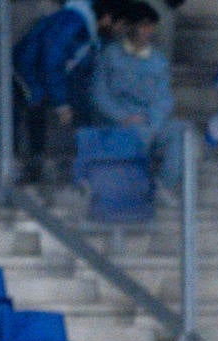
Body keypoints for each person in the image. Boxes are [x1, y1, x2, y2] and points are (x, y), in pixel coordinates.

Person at [14, 0, 125, 184]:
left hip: (44, 73)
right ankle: (28, 163)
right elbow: (51, 61)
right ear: (106, 18)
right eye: (119, 23)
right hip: (26, 69)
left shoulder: (93, 37)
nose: (120, 29)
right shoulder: (73, 23)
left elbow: (80, 74)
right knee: (34, 105)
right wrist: (61, 102)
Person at [91, 1, 187, 196]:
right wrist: (122, 117)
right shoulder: (110, 55)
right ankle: (131, 190)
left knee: (181, 133)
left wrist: (152, 121)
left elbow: (164, 98)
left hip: (149, 121)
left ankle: (162, 187)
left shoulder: (158, 61)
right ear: (131, 26)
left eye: (151, 25)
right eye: (143, 25)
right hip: (119, 122)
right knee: (138, 134)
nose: (148, 30)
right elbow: (99, 95)